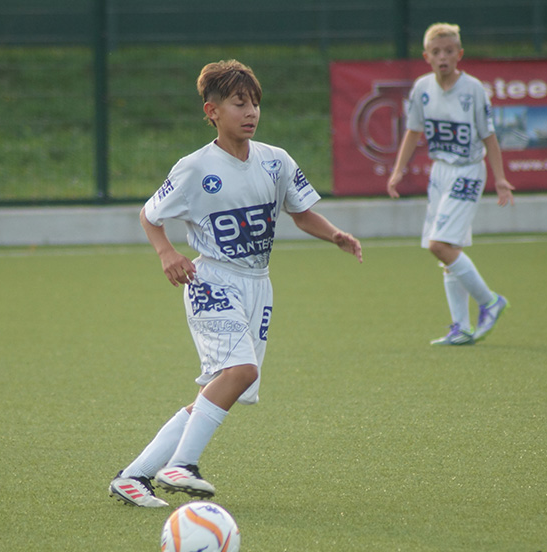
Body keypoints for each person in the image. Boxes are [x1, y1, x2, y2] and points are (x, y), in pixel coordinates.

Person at [109, 59, 363, 508]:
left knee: (217, 393)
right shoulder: (194, 168)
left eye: (255, 104)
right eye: (239, 104)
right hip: (211, 280)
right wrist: (167, 253)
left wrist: (335, 234)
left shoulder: (275, 160)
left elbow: (301, 212)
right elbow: (150, 214)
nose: (250, 112)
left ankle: (134, 476)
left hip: (257, 286)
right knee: (242, 371)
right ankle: (182, 465)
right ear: (212, 111)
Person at [387, 23, 514, 346]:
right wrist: (398, 170)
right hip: (440, 172)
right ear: (426, 56)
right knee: (449, 251)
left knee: (438, 244)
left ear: (459, 54)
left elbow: (489, 137)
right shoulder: (422, 88)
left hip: (468, 170)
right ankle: (461, 327)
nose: (442, 57)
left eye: (448, 51)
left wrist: (500, 179)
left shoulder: (473, 90)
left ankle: (489, 301)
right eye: (436, 52)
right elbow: (413, 131)